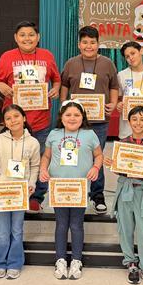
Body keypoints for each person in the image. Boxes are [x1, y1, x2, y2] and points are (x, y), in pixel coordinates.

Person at [0, 21, 61, 213]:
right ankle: (14, 192)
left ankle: (36, 197)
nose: (27, 38)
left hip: (40, 120)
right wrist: (1, 87)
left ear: (38, 37)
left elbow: (56, 79)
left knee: (39, 161)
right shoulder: (7, 57)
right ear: (16, 38)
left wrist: (55, 89)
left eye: (31, 34)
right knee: (12, 158)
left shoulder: (47, 55)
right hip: (14, 122)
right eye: (22, 35)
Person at [39, 101, 103, 280]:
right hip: (59, 186)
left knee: (76, 224)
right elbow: (46, 156)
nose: (72, 118)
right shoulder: (54, 133)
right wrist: (43, 169)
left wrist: (96, 168)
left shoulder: (90, 134)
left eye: (76, 115)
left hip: (79, 187)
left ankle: (76, 259)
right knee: (60, 224)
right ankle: (60, 259)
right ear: (61, 117)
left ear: (83, 117)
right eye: (68, 115)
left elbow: (98, 155)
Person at [60, 26, 118, 214]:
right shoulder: (71, 63)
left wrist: (114, 103)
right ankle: (75, 191)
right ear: (79, 44)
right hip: (74, 121)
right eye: (85, 42)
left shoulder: (107, 63)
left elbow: (114, 86)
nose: (89, 46)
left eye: (92, 42)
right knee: (73, 155)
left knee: (96, 157)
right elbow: (64, 86)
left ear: (98, 44)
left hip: (99, 122)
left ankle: (97, 194)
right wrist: (63, 106)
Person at [105, 106, 143, 285]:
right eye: (134, 119)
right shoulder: (122, 143)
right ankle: (131, 263)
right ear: (128, 122)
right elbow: (120, 169)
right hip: (125, 189)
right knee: (125, 228)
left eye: (142, 119)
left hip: (142, 190)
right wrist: (112, 164)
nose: (138, 123)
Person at [0, 104, 40, 280]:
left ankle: (15, 263)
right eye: (8, 118)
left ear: (24, 118)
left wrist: (31, 184)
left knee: (16, 230)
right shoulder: (0, 140)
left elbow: (35, 166)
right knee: (2, 231)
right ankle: (0, 263)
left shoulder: (33, 142)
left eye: (16, 116)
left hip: (20, 193)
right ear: (4, 123)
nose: (13, 120)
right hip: (1, 191)